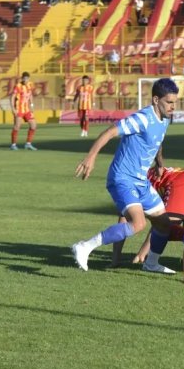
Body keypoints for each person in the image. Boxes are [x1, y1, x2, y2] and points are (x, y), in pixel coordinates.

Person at [72, 78, 178, 273]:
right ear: (156, 100)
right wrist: (91, 157)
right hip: (122, 178)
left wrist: (159, 164)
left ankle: (151, 263)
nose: (173, 107)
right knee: (138, 223)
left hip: (140, 181)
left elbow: (157, 143)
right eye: (169, 102)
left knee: (163, 224)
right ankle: (85, 246)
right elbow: (109, 132)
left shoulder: (164, 119)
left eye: (175, 102)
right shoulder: (142, 118)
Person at [10, 72, 38, 151]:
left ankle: (28, 144)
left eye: (27, 78)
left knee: (33, 125)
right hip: (19, 109)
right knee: (17, 126)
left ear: (29, 79)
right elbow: (12, 97)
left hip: (27, 110)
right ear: (22, 78)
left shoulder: (30, 85)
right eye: (24, 78)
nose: (25, 80)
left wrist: (32, 105)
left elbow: (30, 95)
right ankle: (13, 144)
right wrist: (13, 108)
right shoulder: (18, 86)